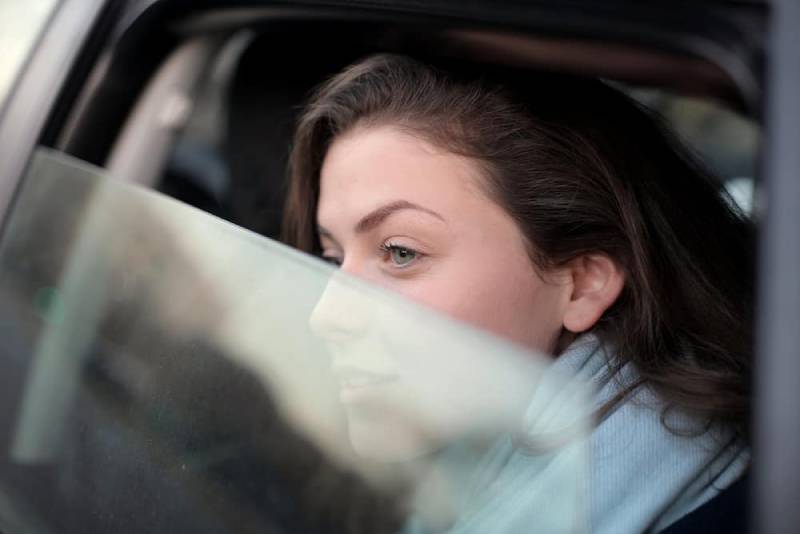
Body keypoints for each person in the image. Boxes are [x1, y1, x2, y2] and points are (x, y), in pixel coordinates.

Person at [280, 53, 753, 533]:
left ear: (583, 283)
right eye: (332, 260)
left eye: (401, 253)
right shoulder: (462, 476)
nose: (327, 313)